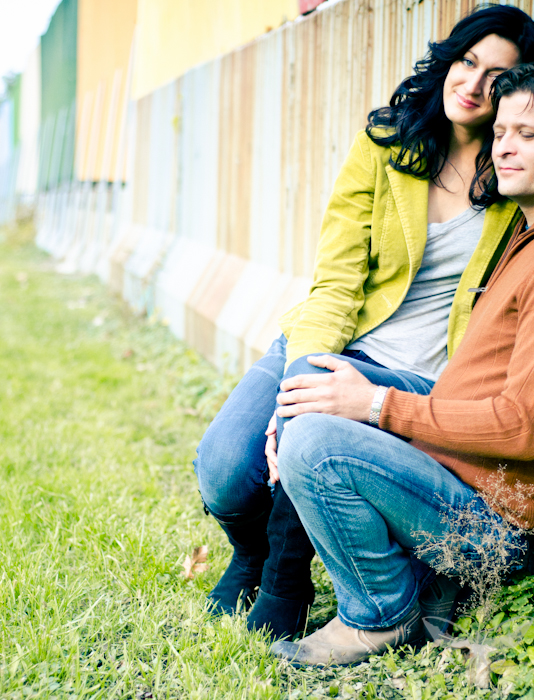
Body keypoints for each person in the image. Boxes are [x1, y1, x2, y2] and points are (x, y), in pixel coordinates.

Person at [194, 6, 534, 640]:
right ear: (448, 61)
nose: (472, 83)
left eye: (495, 75)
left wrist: (307, 408)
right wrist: (296, 382)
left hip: (418, 374)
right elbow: (336, 281)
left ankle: (285, 582)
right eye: (466, 62)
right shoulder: (385, 147)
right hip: (334, 337)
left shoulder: (512, 176)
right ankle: (253, 552)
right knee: (223, 471)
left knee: (306, 427)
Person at [271, 63, 534, 666]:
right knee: (314, 407)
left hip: (494, 527)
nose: (505, 147)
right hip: (456, 484)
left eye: (529, 134)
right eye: (501, 132)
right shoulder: (518, 237)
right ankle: (422, 584)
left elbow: (522, 425)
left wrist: (376, 406)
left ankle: (380, 614)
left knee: (314, 443)